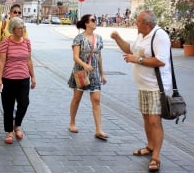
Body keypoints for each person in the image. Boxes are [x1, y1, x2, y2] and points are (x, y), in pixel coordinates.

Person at [110, 10, 171, 172]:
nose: (135, 24)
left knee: (154, 121)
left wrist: (138, 60)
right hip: (142, 86)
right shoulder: (141, 35)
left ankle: (156, 157)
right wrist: (117, 38)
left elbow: (161, 61)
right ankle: (150, 146)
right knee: (146, 118)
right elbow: (129, 49)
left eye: (138, 22)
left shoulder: (160, 36)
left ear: (147, 24)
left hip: (156, 87)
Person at [0, 17, 36, 144]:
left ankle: (17, 125)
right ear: (13, 30)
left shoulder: (27, 42)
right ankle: (9, 132)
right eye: (20, 28)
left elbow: (29, 60)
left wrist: (33, 76)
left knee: (24, 103)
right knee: (8, 106)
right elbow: (1, 61)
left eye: (23, 27)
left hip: (23, 78)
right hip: (9, 78)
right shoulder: (6, 42)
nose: (22, 30)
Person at [67, 14, 108, 140]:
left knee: (96, 100)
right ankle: (72, 122)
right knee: (77, 98)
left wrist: (102, 73)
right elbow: (75, 57)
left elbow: (99, 56)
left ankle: (98, 129)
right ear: (86, 23)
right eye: (93, 20)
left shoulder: (99, 38)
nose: (96, 22)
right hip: (81, 73)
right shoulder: (79, 38)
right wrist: (84, 65)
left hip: (94, 73)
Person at [0, 4, 28, 113]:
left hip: (15, 61)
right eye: (15, 12)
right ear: (10, 13)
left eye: (19, 12)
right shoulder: (2, 25)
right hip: (3, 58)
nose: (17, 14)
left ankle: (12, 107)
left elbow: (25, 45)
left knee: (15, 85)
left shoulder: (22, 27)